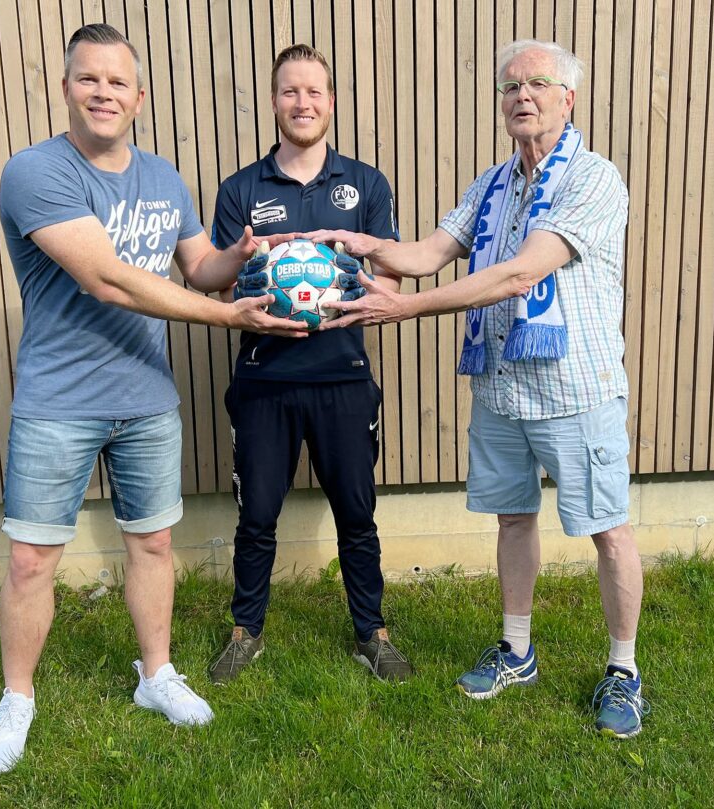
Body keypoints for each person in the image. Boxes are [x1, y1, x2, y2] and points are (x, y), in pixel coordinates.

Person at [0, 24, 306, 776]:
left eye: (117, 82)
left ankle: (155, 675)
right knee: (31, 560)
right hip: (58, 401)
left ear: (139, 97)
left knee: (153, 543)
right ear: (66, 88)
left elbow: (198, 268)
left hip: (147, 397)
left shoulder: (162, 177)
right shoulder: (34, 171)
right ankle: (17, 698)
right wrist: (229, 316)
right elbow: (108, 278)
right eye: (88, 79)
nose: (103, 93)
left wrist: (239, 259)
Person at [305, 40, 651, 738]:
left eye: (538, 84)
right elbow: (430, 253)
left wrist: (406, 308)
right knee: (513, 519)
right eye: (510, 86)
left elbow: (520, 273)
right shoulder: (492, 183)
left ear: (568, 98)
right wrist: (364, 244)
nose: (522, 95)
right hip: (501, 389)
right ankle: (517, 651)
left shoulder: (594, 178)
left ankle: (623, 669)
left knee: (608, 531)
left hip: (575, 390)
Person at [205, 44, 412, 684]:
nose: (303, 103)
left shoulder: (366, 185)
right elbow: (221, 286)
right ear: (274, 101)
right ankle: (246, 632)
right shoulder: (241, 189)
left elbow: (391, 282)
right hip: (263, 381)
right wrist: (250, 280)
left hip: (343, 379)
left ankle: (372, 633)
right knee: (256, 517)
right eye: (290, 91)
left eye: (314, 91)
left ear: (331, 101)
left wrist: (345, 296)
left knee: (357, 515)